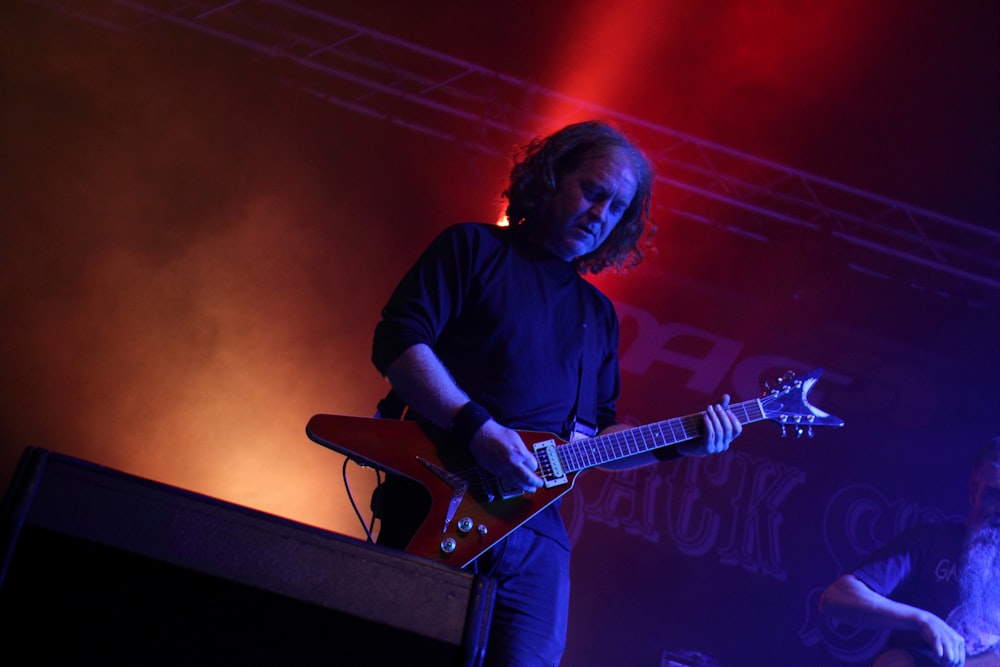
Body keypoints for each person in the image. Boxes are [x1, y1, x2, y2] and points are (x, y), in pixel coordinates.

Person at [369, 120, 743, 666]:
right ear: (550, 178)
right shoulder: (472, 247)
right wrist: (480, 431)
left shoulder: (598, 315)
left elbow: (597, 437)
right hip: (438, 499)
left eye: (616, 209)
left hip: (538, 535)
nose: (600, 216)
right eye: (593, 193)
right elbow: (399, 343)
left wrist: (684, 442)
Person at [819, 436, 1000, 667]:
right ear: (973, 491)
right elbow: (837, 596)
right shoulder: (931, 541)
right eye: (994, 495)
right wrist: (921, 619)